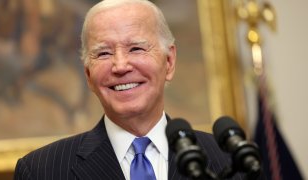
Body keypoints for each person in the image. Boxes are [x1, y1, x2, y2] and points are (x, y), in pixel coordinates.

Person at [14, 0, 247, 179]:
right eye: (103, 53)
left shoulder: (229, 161)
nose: (121, 66)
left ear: (169, 62)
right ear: (88, 75)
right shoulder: (41, 171)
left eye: (136, 48)